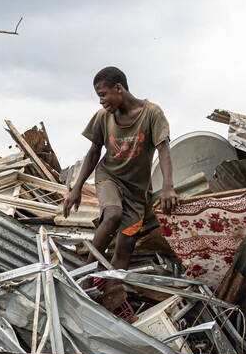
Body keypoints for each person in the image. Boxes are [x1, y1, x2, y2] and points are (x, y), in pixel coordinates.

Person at [63, 66, 177, 318]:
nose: (101, 101)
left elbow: (164, 150)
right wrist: (76, 188)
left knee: (125, 244)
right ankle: (85, 276)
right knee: (112, 214)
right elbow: (93, 153)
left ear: (119, 88)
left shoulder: (151, 114)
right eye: (98, 97)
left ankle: (112, 295)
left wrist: (168, 186)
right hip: (109, 177)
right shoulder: (103, 117)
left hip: (137, 191)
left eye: (103, 94)